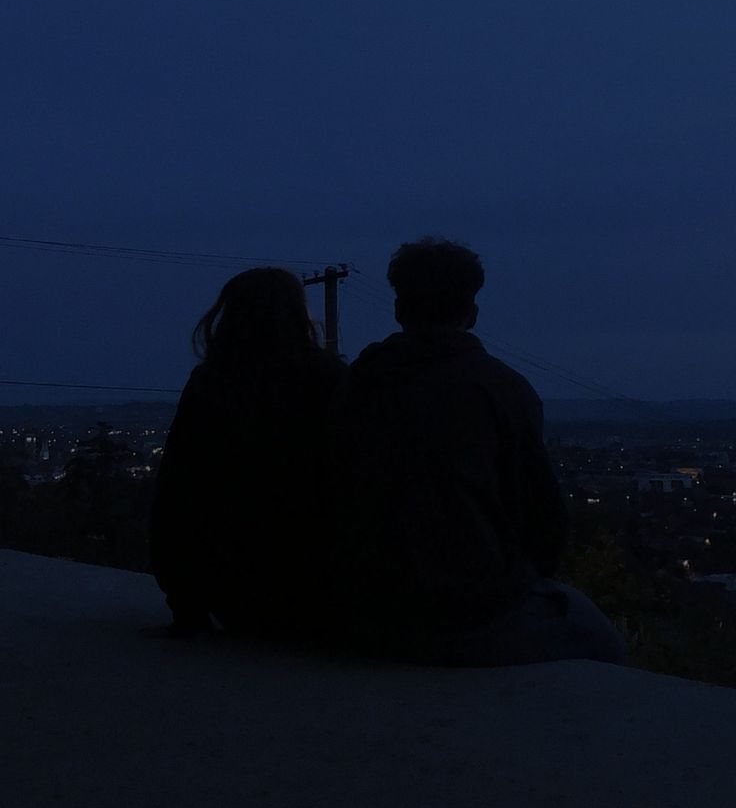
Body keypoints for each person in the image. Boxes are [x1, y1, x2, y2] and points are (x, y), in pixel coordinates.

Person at [327, 237, 627, 668]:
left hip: (362, 607)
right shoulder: (502, 389)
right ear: (471, 312)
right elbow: (543, 521)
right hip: (468, 616)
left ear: (399, 310)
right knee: (605, 644)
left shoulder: (356, 385)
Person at [149, 269, 347, 643]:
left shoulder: (212, 383)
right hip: (320, 592)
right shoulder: (328, 379)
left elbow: (176, 496)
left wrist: (186, 605)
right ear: (297, 313)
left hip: (231, 593)